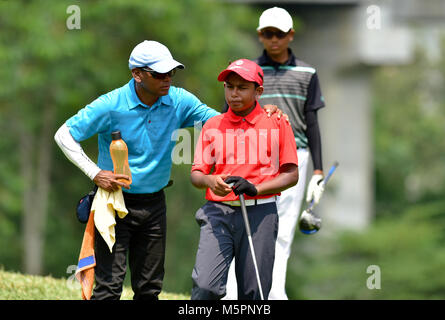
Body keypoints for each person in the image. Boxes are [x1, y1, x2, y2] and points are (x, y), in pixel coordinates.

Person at [54, 40, 283, 300]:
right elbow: (64, 135)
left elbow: (221, 122)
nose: (167, 79)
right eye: (159, 74)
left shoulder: (178, 100)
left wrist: (263, 111)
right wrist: (95, 173)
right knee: (109, 288)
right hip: (113, 203)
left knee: (149, 289)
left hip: (154, 205)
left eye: (171, 73)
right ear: (137, 74)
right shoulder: (111, 104)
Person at [224, 7, 327, 300]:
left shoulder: (307, 73)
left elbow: (312, 123)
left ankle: (274, 293)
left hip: (294, 158)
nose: (274, 40)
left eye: (279, 34)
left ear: (290, 35)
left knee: (280, 230)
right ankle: (233, 294)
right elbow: (229, 112)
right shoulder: (248, 72)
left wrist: (317, 172)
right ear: (260, 36)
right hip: (251, 155)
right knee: (242, 223)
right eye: (268, 34)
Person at [190, 58, 299, 300]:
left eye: (242, 87)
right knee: (205, 288)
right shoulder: (213, 125)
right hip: (217, 213)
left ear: (258, 91)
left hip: (260, 214)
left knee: (254, 293)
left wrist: (255, 189)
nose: (234, 94)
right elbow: (197, 174)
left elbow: (291, 175)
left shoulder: (277, 122)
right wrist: (211, 181)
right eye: (229, 87)